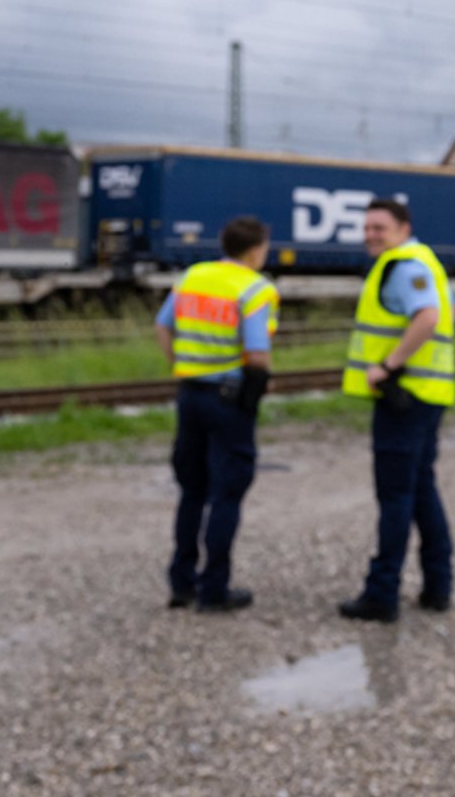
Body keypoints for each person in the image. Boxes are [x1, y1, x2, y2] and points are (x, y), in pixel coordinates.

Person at [337, 198, 455, 623]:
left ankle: (382, 594)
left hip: (403, 398)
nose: (370, 234)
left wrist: (389, 365)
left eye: (379, 228)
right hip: (429, 395)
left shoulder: (401, 266)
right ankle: (438, 585)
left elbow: (428, 317)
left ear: (403, 227)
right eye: (367, 227)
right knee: (421, 488)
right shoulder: (426, 261)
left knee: (396, 497)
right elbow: (449, 309)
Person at [153, 216, 278, 614]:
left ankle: (181, 583)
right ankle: (214, 590)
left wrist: (183, 365)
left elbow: (162, 326)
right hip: (228, 398)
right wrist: (252, 399)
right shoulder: (256, 289)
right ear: (257, 249)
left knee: (192, 490)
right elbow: (257, 355)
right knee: (227, 493)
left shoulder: (193, 276)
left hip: (189, 394)